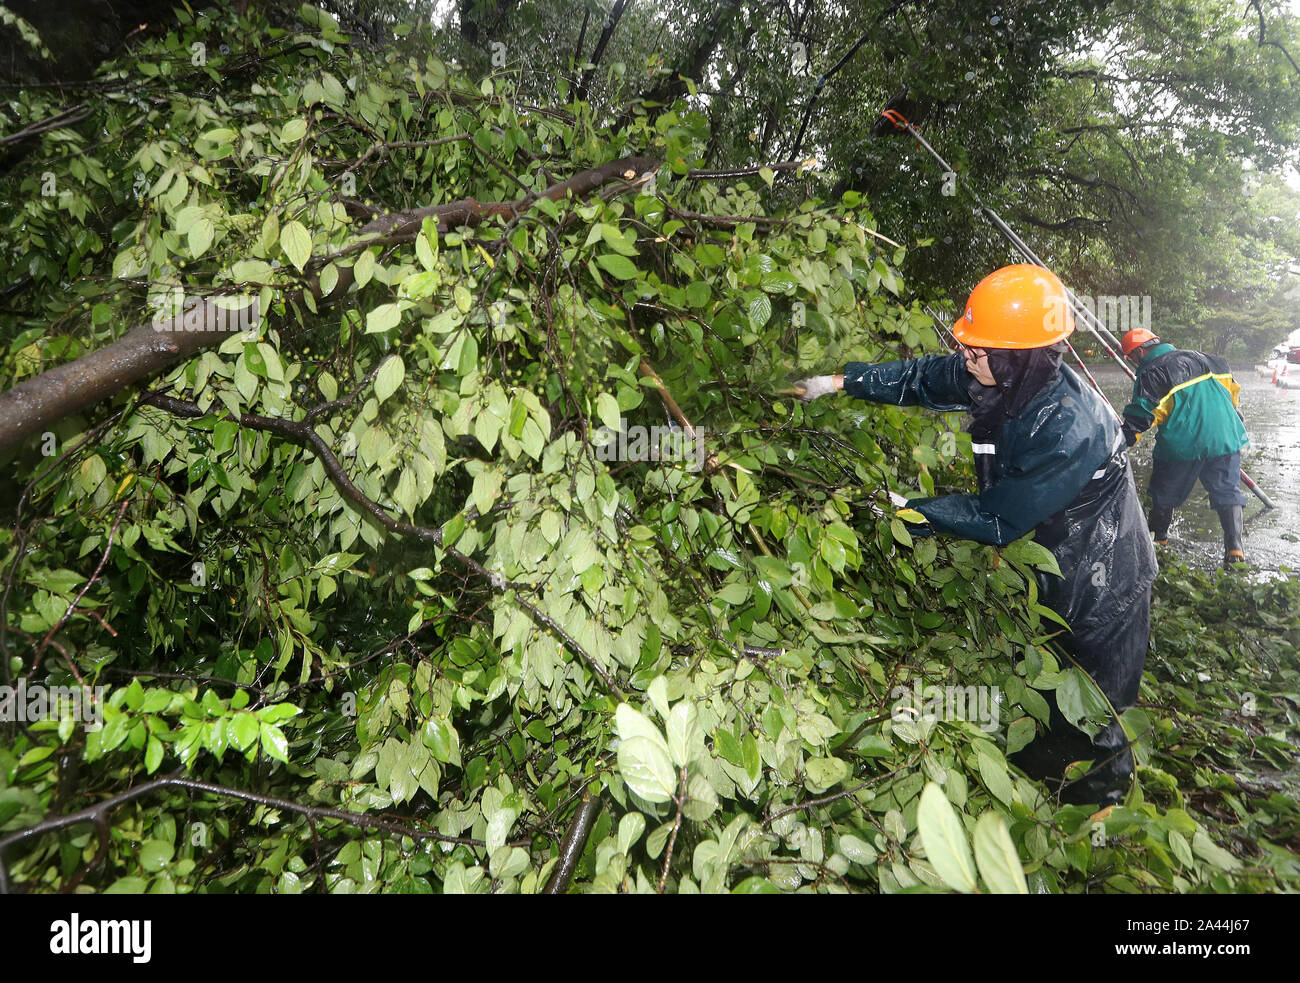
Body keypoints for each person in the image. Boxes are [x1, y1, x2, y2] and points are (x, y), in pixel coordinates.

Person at [793, 265, 1157, 807]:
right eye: (968, 348)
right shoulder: (996, 372)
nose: (967, 358)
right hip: (1054, 554)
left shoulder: (1069, 425)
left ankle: (1099, 810)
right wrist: (840, 382)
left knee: (1095, 703)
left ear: (1020, 356)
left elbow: (996, 518)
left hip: (1107, 575)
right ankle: (1045, 780)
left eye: (979, 351)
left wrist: (907, 511)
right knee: (1048, 682)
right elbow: (921, 379)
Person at [1119, 329, 1250, 567]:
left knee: (1163, 494)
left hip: (1183, 444)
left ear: (1138, 352)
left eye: (1130, 357)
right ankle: (1235, 550)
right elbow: (1232, 397)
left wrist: (1119, 443)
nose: (1132, 362)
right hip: (1227, 437)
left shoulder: (1151, 371)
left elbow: (1142, 415)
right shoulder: (1211, 360)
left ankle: (1158, 544)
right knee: (1227, 491)